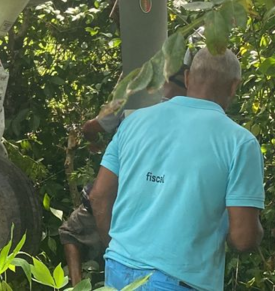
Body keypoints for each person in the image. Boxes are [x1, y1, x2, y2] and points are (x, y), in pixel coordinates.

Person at [89, 48, 264, 291]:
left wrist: (121, 248)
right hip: (179, 280)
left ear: (188, 77)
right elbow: (243, 238)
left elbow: (98, 195)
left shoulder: (134, 122)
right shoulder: (240, 142)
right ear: (234, 86)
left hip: (119, 269)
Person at [64, 63, 191, 283]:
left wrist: (97, 144)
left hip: (126, 194)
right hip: (170, 196)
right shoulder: (194, 105)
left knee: (70, 230)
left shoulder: (131, 94)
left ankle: (80, 285)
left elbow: (91, 128)